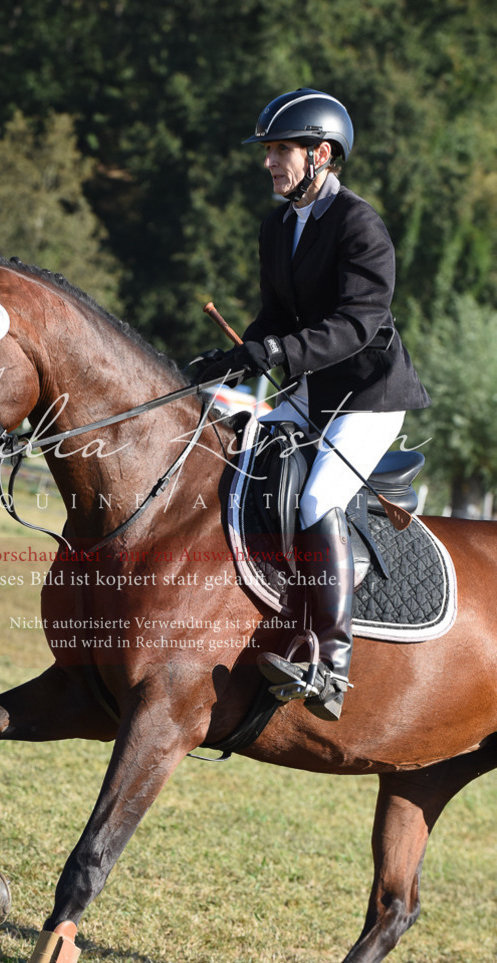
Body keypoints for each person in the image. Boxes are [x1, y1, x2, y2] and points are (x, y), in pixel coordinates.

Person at [200, 88, 430, 720]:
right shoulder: (277, 225)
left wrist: (275, 353)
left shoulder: (361, 225)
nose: (269, 163)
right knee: (237, 454)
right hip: (311, 391)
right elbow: (276, 316)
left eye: (280, 151)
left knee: (314, 497)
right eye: (269, 151)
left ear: (320, 154)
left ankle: (330, 663)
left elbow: (358, 325)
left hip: (368, 397)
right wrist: (235, 354)